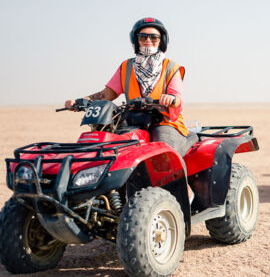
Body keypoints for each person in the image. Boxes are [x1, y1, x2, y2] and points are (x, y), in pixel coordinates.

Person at [64, 17, 194, 200]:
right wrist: (81, 101)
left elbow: (177, 98)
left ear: (162, 41)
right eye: (143, 37)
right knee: (108, 147)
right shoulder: (127, 67)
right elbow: (106, 95)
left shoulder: (171, 67)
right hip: (134, 120)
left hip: (165, 121)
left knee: (164, 151)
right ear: (136, 40)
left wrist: (170, 99)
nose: (148, 41)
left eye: (154, 37)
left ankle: (181, 194)